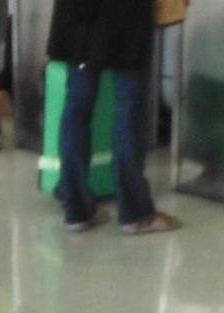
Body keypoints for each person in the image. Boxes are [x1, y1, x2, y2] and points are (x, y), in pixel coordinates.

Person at [46, 0, 179, 236]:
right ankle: (135, 214)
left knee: (77, 107)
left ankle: (77, 210)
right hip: (125, 16)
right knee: (129, 109)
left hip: (78, 16)